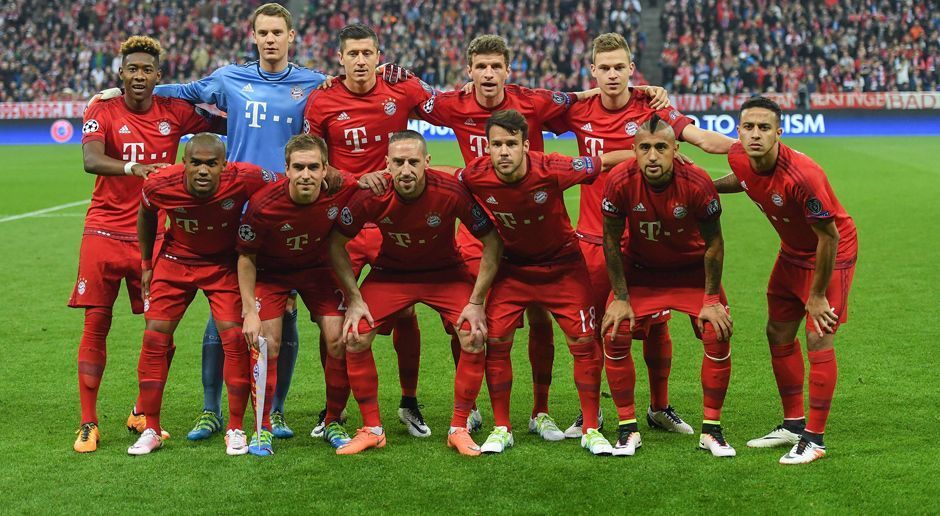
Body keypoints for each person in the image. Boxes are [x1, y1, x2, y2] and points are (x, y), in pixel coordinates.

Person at [419, 34, 667, 439]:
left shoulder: (532, 102)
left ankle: (540, 410)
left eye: (495, 66)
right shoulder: (453, 105)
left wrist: (640, 90)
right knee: (467, 322)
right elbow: (411, 103)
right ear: (468, 71)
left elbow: (579, 98)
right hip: (481, 229)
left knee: (540, 318)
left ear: (508, 69)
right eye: (480, 67)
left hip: (536, 229)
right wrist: (379, 71)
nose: (488, 74)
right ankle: (476, 408)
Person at [151, 3, 329, 440]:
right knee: (224, 315)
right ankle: (211, 410)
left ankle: (278, 409)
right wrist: (127, 93)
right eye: (263, 32)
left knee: (284, 315)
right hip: (237, 212)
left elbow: (355, 89)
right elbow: (182, 91)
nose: (270, 39)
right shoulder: (230, 78)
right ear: (253, 36)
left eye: (277, 32)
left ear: (292, 37)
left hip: (287, 211)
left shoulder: (313, 83)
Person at [545, 32, 736, 437]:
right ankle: (590, 413)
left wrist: (749, 149)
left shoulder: (652, 108)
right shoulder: (577, 112)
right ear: (592, 70)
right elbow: (533, 111)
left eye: (620, 67)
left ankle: (659, 407)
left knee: (657, 326)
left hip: (648, 243)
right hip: (595, 238)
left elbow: (700, 138)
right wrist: (581, 93)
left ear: (632, 70)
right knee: (596, 328)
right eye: (604, 68)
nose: (612, 75)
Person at [71, 35, 215, 452]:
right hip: (103, 230)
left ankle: (140, 412)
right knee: (96, 322)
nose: (138, 75)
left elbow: (224, 121)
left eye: (146, 70)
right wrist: (136, 167)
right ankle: (88, 422)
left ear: (158, 75)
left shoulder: (173, 111)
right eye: (131, 68)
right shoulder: (102, 107)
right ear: (121, 72)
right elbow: (90, 160)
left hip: (152, 236)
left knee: (161, 330)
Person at [457, 109, 627, 456]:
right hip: (513, 268)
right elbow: (443, 180)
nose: (503, 151)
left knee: (583, 342)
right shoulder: (475, 174)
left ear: (525, 145)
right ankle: (502, 427)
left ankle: (591, 427)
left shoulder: (553, 168)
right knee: (499, 340)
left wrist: (646, 151)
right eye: (496, 144)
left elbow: (603, 160)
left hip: (562, 266)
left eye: (511, 144)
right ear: (486, 147)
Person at [328, 131, 502, 456]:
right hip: (392, 274)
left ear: (427, 163)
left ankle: (459, 428)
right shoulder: (372, 195)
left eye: (413, 162)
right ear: (387, 165)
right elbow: (336, 243)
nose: (405, 170)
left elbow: (493, 240)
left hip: (445, 274)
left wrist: (477, 302)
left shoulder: (450, 191)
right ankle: (372, 429)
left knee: (474, 334)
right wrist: (354, 299)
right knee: (354, 335)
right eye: (398, 162)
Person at [303, 24, 436, 438]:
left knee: (408, 311)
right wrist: (351, 180)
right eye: (352, 54)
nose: (360, 61)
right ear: (339, 59)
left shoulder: (399, 91)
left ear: (379, 56)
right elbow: (314, 162)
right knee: (335, 319)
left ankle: (409, 401)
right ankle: (334, 409)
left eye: (367, 53)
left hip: (392, 224)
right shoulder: (322, 100)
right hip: (342, 226)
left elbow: (446, 105)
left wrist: (413, 78)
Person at [713, 96, 857, 465]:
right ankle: (794, 424)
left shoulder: (804, 176)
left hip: (830, 254)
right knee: (778, 332)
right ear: (739, 130)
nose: (755, 134)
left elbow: (830, 237)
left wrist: (818, 295)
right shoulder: (740, 158)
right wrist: (705, 187)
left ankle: (815, 439)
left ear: (779, 132)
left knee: (817, 336)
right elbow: (741, 177)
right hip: (792, 249)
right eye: (748, 127)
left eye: (764, 127)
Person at [127, 134, 275, 456]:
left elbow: (281, 188)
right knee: (154, 338)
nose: (203, 170)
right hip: (175, 260)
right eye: (195, 163)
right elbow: (146, 213)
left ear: (225, 165)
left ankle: (235, 427)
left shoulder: (247, 176)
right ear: (184, 163)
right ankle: (151, 427)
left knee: (234, 339)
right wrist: (146, 263)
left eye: (211, 164)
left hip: (223, 263)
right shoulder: (159, 184)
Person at [600, 115, 735, 457]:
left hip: (690, 271)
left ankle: (712, 431)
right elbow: (612, 243)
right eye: (644, 148)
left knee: (716, 330)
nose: (653, 156)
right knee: (614, 331)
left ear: (676, 150)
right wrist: (619, 297)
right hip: (642, 271)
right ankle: (627, 429)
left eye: (661, 147)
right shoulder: (619, 180)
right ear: (634, 151)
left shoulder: (698, 182)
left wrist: (710, 298)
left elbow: (715, 244)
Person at [236, 134, 358, 455]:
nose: (306, 174)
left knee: (338, 338)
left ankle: (332, 420)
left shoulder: (341, 188)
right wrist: (249, 309)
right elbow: (246, 257)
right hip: (272, 275)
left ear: (325, 170)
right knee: (267, 342)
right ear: (286, 170)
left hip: (317, 271)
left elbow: (376, 185)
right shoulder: (263, 205)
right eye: (299, 167)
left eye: (313, 167)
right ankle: (262, 428)